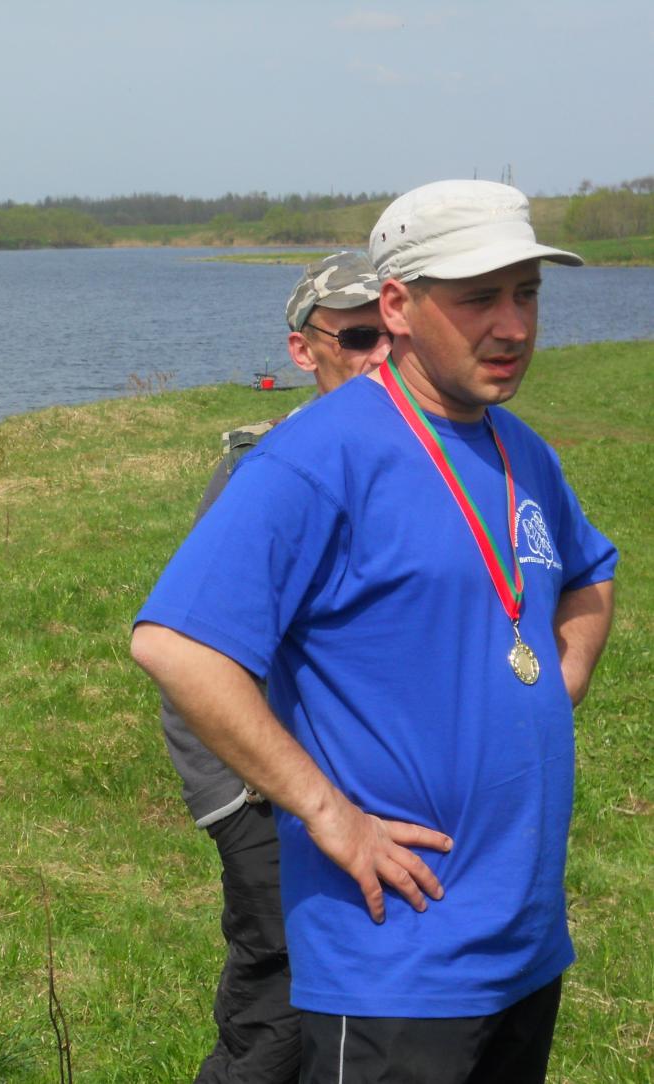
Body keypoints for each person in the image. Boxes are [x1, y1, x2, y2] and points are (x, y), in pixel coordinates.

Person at [132, 179, 617, 1083]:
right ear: (396, 306)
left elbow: (590, 569)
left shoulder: (519, 448)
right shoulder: (315, 457)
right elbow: (177, 645)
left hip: (523, 941)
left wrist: (560, 679)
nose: (512, 326)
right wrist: (329, 815)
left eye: (526, 294)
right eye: (479, 298)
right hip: (394, 955)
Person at [160, 250, 385, 1083]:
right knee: (279, 1014)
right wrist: (234, 805)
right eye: (356, 337)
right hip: (270, 802)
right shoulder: (262, 471)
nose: (379, 356)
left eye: (393, 333)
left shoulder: (434, 461)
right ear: (303, 350)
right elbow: (185, 651)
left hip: (384, 800)